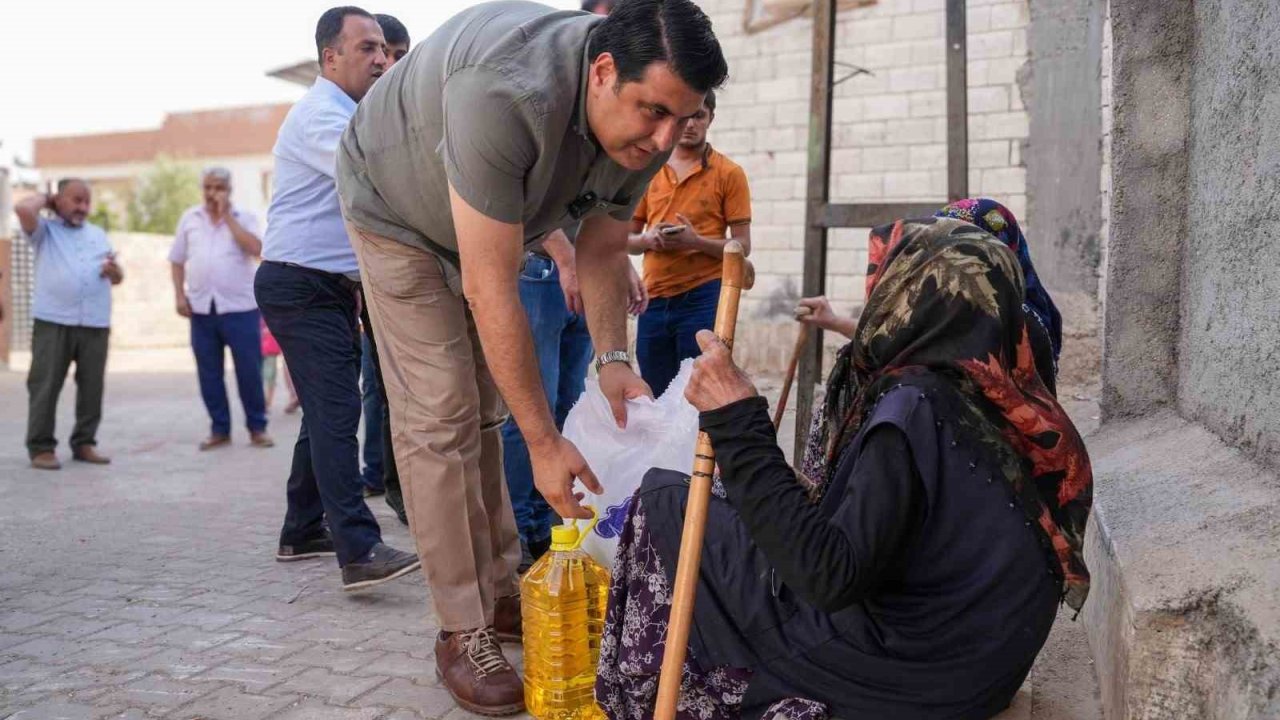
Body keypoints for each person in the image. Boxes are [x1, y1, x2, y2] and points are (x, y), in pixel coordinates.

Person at [336, 0, 727, 712]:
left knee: (488, 411)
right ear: (602, 73)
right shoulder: (506, 94)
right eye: (653, 113)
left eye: (684, 118)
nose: (665, 139)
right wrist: (545, 443)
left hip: (484, 215)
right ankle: (462, 627)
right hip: (396, 211)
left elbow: (603, 247)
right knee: (442, 412)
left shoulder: (644, 127)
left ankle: (498, 590)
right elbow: (490, 287)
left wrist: (613, 358)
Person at [597, 217, 1094, 720]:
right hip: (979, 669)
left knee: (664, 498)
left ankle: (677, 699)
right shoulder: (1021, 405)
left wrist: (740, 422)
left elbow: (829, 576)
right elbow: (910, 523)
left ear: (905, 298)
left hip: (905, 672)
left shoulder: (916, 405)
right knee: (726, 499)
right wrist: (763, 467)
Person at [255, 6, 419, 591]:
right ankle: (359, 549)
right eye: (368, 48)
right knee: (337, 412)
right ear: (331, 57)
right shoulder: (321, 116)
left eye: (385, 49)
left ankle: (302, 529)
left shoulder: (350, 112)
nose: (381, 59)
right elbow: (373, 179)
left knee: (328, 409)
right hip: (301, 284)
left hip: (326, 287)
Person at [499, 0, 642, 575]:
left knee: (565, 406)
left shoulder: (624, 123)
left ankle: (554, 524)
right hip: (542, 272)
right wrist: (563, 256)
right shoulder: (544, 98)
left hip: (581, 275)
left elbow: (606, 228)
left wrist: (615, 267)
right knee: (531, 410)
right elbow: (524, 202)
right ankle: (523, 533)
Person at [628, 89, 752, 396]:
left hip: (703, 294)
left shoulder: (729, 173)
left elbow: (742, 247)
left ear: (711, 118)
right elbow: (624, 240)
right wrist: (649, 239)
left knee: (698, 390)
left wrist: (695, 241)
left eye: (699, 116)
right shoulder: (649, 169)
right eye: (686, 117)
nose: (691, 124)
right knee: (655, 392)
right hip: (654, 296)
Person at [17, 180, 122, 470]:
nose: (83, 207)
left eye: (87, 201)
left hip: (95, 321)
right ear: (58, 200)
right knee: (45, 385)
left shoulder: (98, 234)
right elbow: (22, 208)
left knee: (92, 387)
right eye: (76, 200)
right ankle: (41, 447)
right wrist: (47, 199)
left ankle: (85, 443)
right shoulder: (44, 231)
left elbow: (117, 277)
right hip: (54, 320)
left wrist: (114, 272)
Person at [169, 167, 273, 451]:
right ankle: (219, 429)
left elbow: (257, 249)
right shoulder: (190, 218)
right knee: (209, 373)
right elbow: (177, 260)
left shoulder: (244, 217)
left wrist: (227, 217)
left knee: (249, 371)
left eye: (218, 187)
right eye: (207, 187)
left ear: (229, 190)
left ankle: (257, 428)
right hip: (201, 309)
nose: (211, 193)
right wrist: (179, 295)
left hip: (240, 309)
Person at [356, 10, 412, 514]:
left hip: (401, 273)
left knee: (397, 388)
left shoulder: (411, 109)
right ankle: (388, 481)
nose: (386, 63)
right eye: (379, 52)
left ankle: (394, 482)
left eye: (396, 54)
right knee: (381, 386)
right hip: (371, 275)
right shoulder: (354, 116)